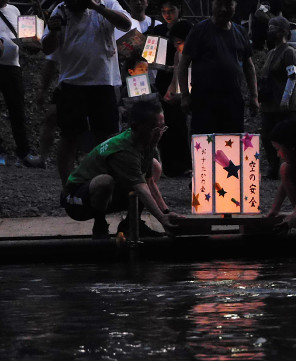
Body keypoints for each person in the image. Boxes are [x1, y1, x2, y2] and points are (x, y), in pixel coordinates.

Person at [61, 100, 183, 239]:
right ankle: (100, 224)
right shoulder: (123, 150)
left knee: (154, 166)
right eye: (155, 129)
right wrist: (162, 220)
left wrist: (166, 213)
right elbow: (141, 188)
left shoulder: (148, 143)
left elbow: (150, 183)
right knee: (105, 181)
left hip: (108, 194)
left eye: (162, 128)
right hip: (76, 199)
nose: (159, 134)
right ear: (136, 127)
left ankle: (131, 223)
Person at [41, 0, 131, 185]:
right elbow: (47, 48)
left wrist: (97, 7)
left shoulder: (108, 3)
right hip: (72, 81)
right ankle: (68, 187)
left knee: (105, 136)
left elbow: (126, 24)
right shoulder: (62, 9)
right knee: (69, 136)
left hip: (103, 81)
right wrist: (52, 30)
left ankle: (104, 182)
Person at [178, 0, 259, 135]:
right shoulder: (199, 30)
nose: (223, 9)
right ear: (212, 5)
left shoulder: (240, 32)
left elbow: (249, 66)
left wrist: (254, 96)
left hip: (233, 99)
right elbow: (183, 64)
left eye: (227, 5)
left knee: (232, 141)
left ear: (235, 6)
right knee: (204, 143)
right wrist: (185, 95)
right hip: (204, 100)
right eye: (219, 4)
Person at [259, 16, 296, 179]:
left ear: (283, 31)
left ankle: (289, 169)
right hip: (269, 105)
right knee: (267, 136)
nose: (270, 30)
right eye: (269, 27)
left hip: (283, 107)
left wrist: (286, 99)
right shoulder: (271, 53)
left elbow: (292, 76)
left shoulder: (288, 52)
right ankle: (273, 166)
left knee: (286, 139)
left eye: (274, 27)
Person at [153, 1, 191, 177]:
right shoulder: (159, 31)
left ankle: (184, 163)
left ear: (179, 10)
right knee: (165, 122)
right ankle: (168, 164)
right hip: (163, 79)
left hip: (183, 78)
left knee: (180, 123)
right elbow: (150, 57)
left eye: (171, 10)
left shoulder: (186, 28)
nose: (167, 14)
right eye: (164, 11)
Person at [0, 0, 41, 166]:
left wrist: (33, 40)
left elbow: (29, 42)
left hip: (12, 67)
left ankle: (23, 152)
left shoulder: (15, 10)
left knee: (17, 110)